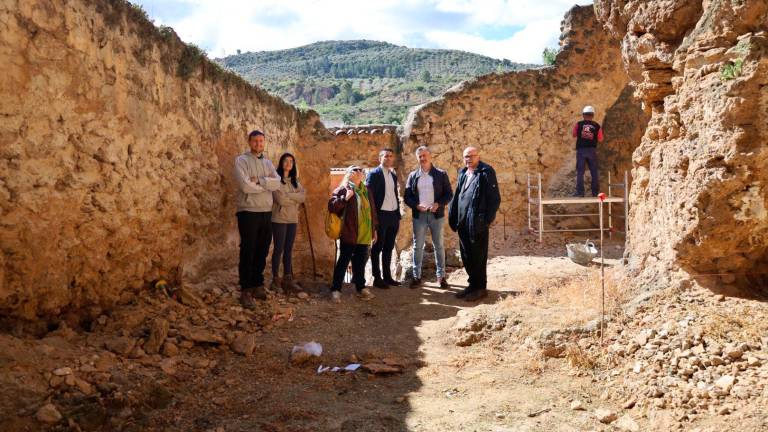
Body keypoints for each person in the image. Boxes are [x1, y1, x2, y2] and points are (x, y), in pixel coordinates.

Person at [233, 130, 281, 309]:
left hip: (266, 211)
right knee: (248, 249)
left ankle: (257, 284)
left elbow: (277, 183)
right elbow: (245, 186)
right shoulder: (241, 161)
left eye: (261, 141)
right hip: (248, 211)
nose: (258, 144)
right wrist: (266, 185)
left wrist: (259, 181)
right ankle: (246, 289)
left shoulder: (268, 163)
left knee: (263, 249)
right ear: (249, 142)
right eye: (255, 141)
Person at [448, 147, 500, 302]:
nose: (468, 159)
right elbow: (458, 195)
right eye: (466, 156)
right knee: (467, 256)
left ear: (478, 156)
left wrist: (485, 221)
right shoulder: (463, 173)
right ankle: (472, 285)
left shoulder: (486, 172)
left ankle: (480, 288)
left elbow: (494, 199)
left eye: (471, 156)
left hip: (477, 224)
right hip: (463, 223)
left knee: (478, 256)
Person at [404, 146, 453, 288]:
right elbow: (407, 197)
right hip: (419, 216)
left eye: (424, 155)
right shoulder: (413, 176)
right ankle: (416, 277)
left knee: (439, 246)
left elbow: (449, 194)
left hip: (436, 216)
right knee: (417, 247)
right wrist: (416, 206)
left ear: (430, 156)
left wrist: (438, 204)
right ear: (417, 158)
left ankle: (441, 277)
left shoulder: (441, 174)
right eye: (420, 156)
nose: (422, 158)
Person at [328, 165, 378, 303]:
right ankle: (336, 289)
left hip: (364, 232)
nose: (359, 171)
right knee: (343, 261)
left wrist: (374, 229)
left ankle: (361, 288)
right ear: (349, 174)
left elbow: (372, 211)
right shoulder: (343, 189)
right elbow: (332, 207)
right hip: (349, 231)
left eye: (361, 170)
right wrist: (345, 198)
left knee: (360, 262)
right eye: (356, 169)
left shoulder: (366, 190)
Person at [365, 148, 401, 289]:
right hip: (380, 216)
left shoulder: (393, 176)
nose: (388, 158)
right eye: (386, 156)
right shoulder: (374, 174)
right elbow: (369, 197)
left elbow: (394, 195)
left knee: (389, 247)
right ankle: (377, 278)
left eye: (391, 156)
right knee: (377, 248)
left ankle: (387, 277)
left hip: (393, 216)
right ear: (380, 158)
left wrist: (397, 215)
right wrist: (373, 218)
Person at [270, 152, 306, 294]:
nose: (288, 163)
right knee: (278, 249)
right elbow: (280, 200)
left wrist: (289, 196)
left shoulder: (295, 182)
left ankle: (287, 279)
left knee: (288, 249)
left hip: (292, 219)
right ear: (281, 163)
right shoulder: (276, 180)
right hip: (279, 218)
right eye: (286, 161)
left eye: (291, 161)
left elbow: (303, 197)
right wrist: (294, 198)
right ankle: (275, 279)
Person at [572, 105, 604, 197]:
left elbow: (574, 134)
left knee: (580, 172)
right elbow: (600, 139)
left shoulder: (578, 124)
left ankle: (580, 193)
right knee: (594, 171)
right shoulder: (597, 126)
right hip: (592, 150)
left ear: (583, 115)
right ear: (593, 115)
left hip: (581, 150)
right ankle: (595, 193)